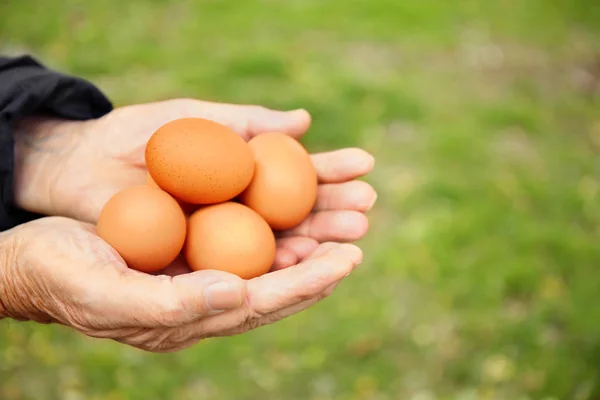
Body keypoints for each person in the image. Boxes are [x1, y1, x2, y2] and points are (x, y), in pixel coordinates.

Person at [0, 55, 377, 352]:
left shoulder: (226, 181)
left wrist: (42, 146)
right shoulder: (173, 192)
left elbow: (224, 171)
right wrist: (10, 274)